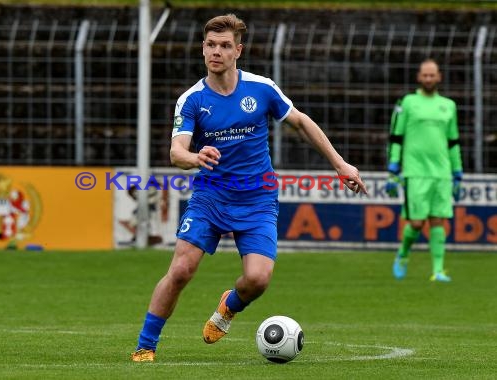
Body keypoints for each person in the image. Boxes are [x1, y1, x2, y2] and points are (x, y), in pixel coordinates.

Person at [131, 14, 367, 362]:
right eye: (210, 45)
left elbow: (300, 121)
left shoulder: (261, 88)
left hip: (257, 197)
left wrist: (340, 164)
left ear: (237, 50)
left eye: (225, 46)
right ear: (203, 49)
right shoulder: (192, 100)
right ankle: (146, 345)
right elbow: (176, 151)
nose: (216, 52)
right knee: (181, 270)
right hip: (211, 197)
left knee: (257, 279)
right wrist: (196, 157)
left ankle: (228, 307)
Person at [386, 58, 463, 283]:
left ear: (439, 77)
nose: (429, 78)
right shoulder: (407, 102)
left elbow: (453, 141)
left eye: (432, 75)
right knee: (417, 223)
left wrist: (458, 172)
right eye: (425, 75)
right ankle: (403, 254)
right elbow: (396, 136)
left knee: (438, 220)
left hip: (441, 172)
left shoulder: (448, 105)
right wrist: (393, 167)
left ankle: (438, 271)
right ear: (419, 77)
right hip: (415, 171)